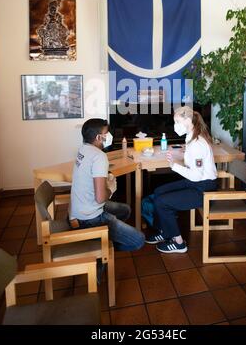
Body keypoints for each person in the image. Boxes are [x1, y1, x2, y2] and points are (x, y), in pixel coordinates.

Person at [145, 106, 217, 253]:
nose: (175, 125)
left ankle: (178, 243)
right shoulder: (191, 137)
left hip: (203, 188)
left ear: (188, 120)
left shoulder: (197, 143)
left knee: (162, 202)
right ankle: (165, 231)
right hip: (195, 183)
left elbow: (196, 175)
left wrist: (174, 165)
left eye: (177, 121)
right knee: (158, 192)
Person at [70, 118, 145, 253]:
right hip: (90, 218)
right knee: (139, 240)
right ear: (99, 137)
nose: (109, 135)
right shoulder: (99, 156)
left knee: (125, 210)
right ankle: (102, 246)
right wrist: (110, 189)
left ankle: (102, 236)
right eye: (106, 132)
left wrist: (105, 182)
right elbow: (100, 198)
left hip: (77, 211)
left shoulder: (83, 150)